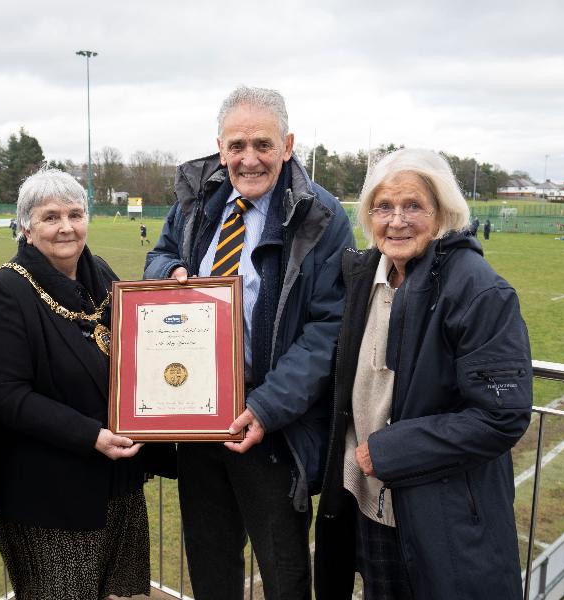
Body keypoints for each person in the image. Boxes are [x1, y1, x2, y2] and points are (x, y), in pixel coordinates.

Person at [144, 86, 354, 600]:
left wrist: (266, 407)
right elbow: (160, 253)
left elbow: (329, 329)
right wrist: (168, 271)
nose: (249, 158)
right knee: (211, 569)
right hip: (198, 418)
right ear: (220, 148)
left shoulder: (321, 217)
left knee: (284, 576)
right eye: (237, 145)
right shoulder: (198, 201)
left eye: (262, 144)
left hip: (272, 429)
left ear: (288, 145)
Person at [314, 149, 532, 600]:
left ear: (442, 213)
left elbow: (501, 416)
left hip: (440, 518)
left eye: (413, 206)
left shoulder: (479, 290)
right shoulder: (362, 276)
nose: (396, 220)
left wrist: (392, 449)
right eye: (383, 207)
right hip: (367, 504)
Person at [0, 167, 175, 600]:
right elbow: (4, 396)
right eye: (50, 217)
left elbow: (142, 341)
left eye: (75, 214)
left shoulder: (99, 271)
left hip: (116, 478)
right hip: (50, 496)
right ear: (26, 228)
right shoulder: (5, 292)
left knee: (111, 591)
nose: (66, 227)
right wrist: (90, 436)